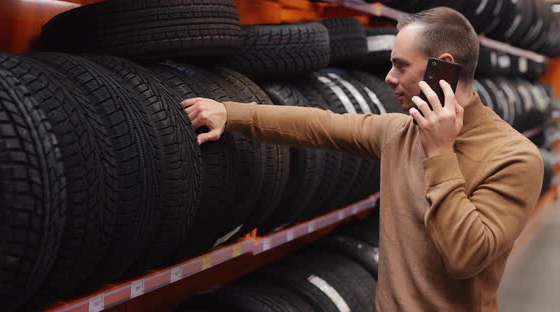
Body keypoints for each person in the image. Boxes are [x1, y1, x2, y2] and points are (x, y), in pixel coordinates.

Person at [181, 7, 543, 311]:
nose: (388, 78)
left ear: (442, 68)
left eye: (401, 66)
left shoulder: (514, 157)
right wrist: (232, 113)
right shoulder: (399, 132)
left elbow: (464, 256)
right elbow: (320, 125)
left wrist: (440, 152)